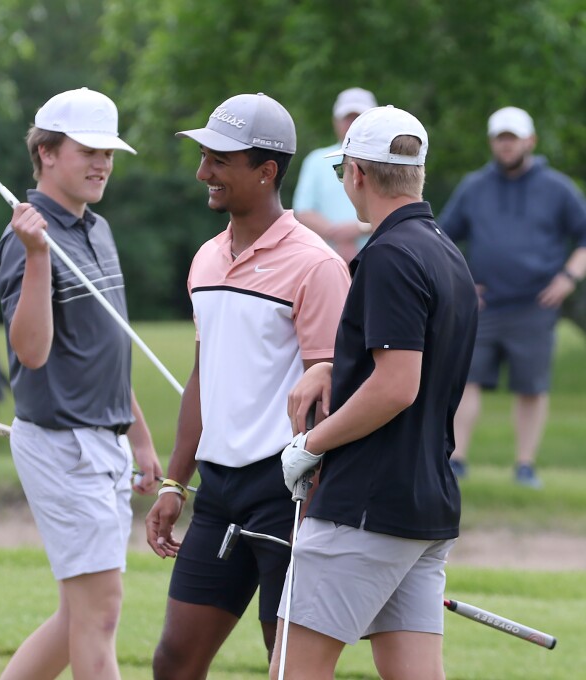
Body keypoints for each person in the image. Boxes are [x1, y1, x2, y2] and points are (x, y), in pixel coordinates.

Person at [145, 93, 351, 679]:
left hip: (285, 493)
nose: (202, 172)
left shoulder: (315, 265)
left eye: (219, 161)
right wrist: (173, 483)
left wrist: (314, 503)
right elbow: (202, 380)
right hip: (218, 492)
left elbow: (326, 394)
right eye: (205, 157)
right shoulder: (206, 260)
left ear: (266, 172)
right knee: (174, 660)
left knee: (287, 665)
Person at [272, 105, 478, 680]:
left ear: (356, 173)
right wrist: (336, 367)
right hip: (424, 506)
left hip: (363, 508)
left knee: (294, 672)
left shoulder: (388, 255)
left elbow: (396, 386)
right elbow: (405, 361)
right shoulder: (445, 251)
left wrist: (310, 444)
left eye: (343, 170)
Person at [0, 87, 162, 680]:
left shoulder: (99, 229)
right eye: (88, 150)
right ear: (45, 153)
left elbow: (104, 353)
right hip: (63, 444)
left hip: (106, 442)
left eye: (109, 154)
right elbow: (30, 352)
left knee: (79, 616)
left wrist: (139, 440)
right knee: (101, 612)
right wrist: (38, 256)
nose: (102, 164)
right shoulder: (25, 240)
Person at [440, 106, 586, 488]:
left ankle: (525, 465)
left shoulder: (557, 188)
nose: (507, 145)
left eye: (513, 138)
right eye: (500, 138)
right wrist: (462, 282)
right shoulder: (474, 186)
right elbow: (442, 236)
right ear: (492, 142)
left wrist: (568, 278)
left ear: (530, 141)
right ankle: (456, 462)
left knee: (531, 387)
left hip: (536, 306)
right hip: (484, 306)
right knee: (466, 380)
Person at [292, 87, 378, 263]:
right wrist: (340, 237)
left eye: (359, 118)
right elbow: (303, 211)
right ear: (335, 122)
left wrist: (356, 230)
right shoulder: (316, 160)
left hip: (377, 258)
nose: (352, 124)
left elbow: (394, 209)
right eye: (347, 118)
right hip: (325, 260)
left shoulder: (385, 161)